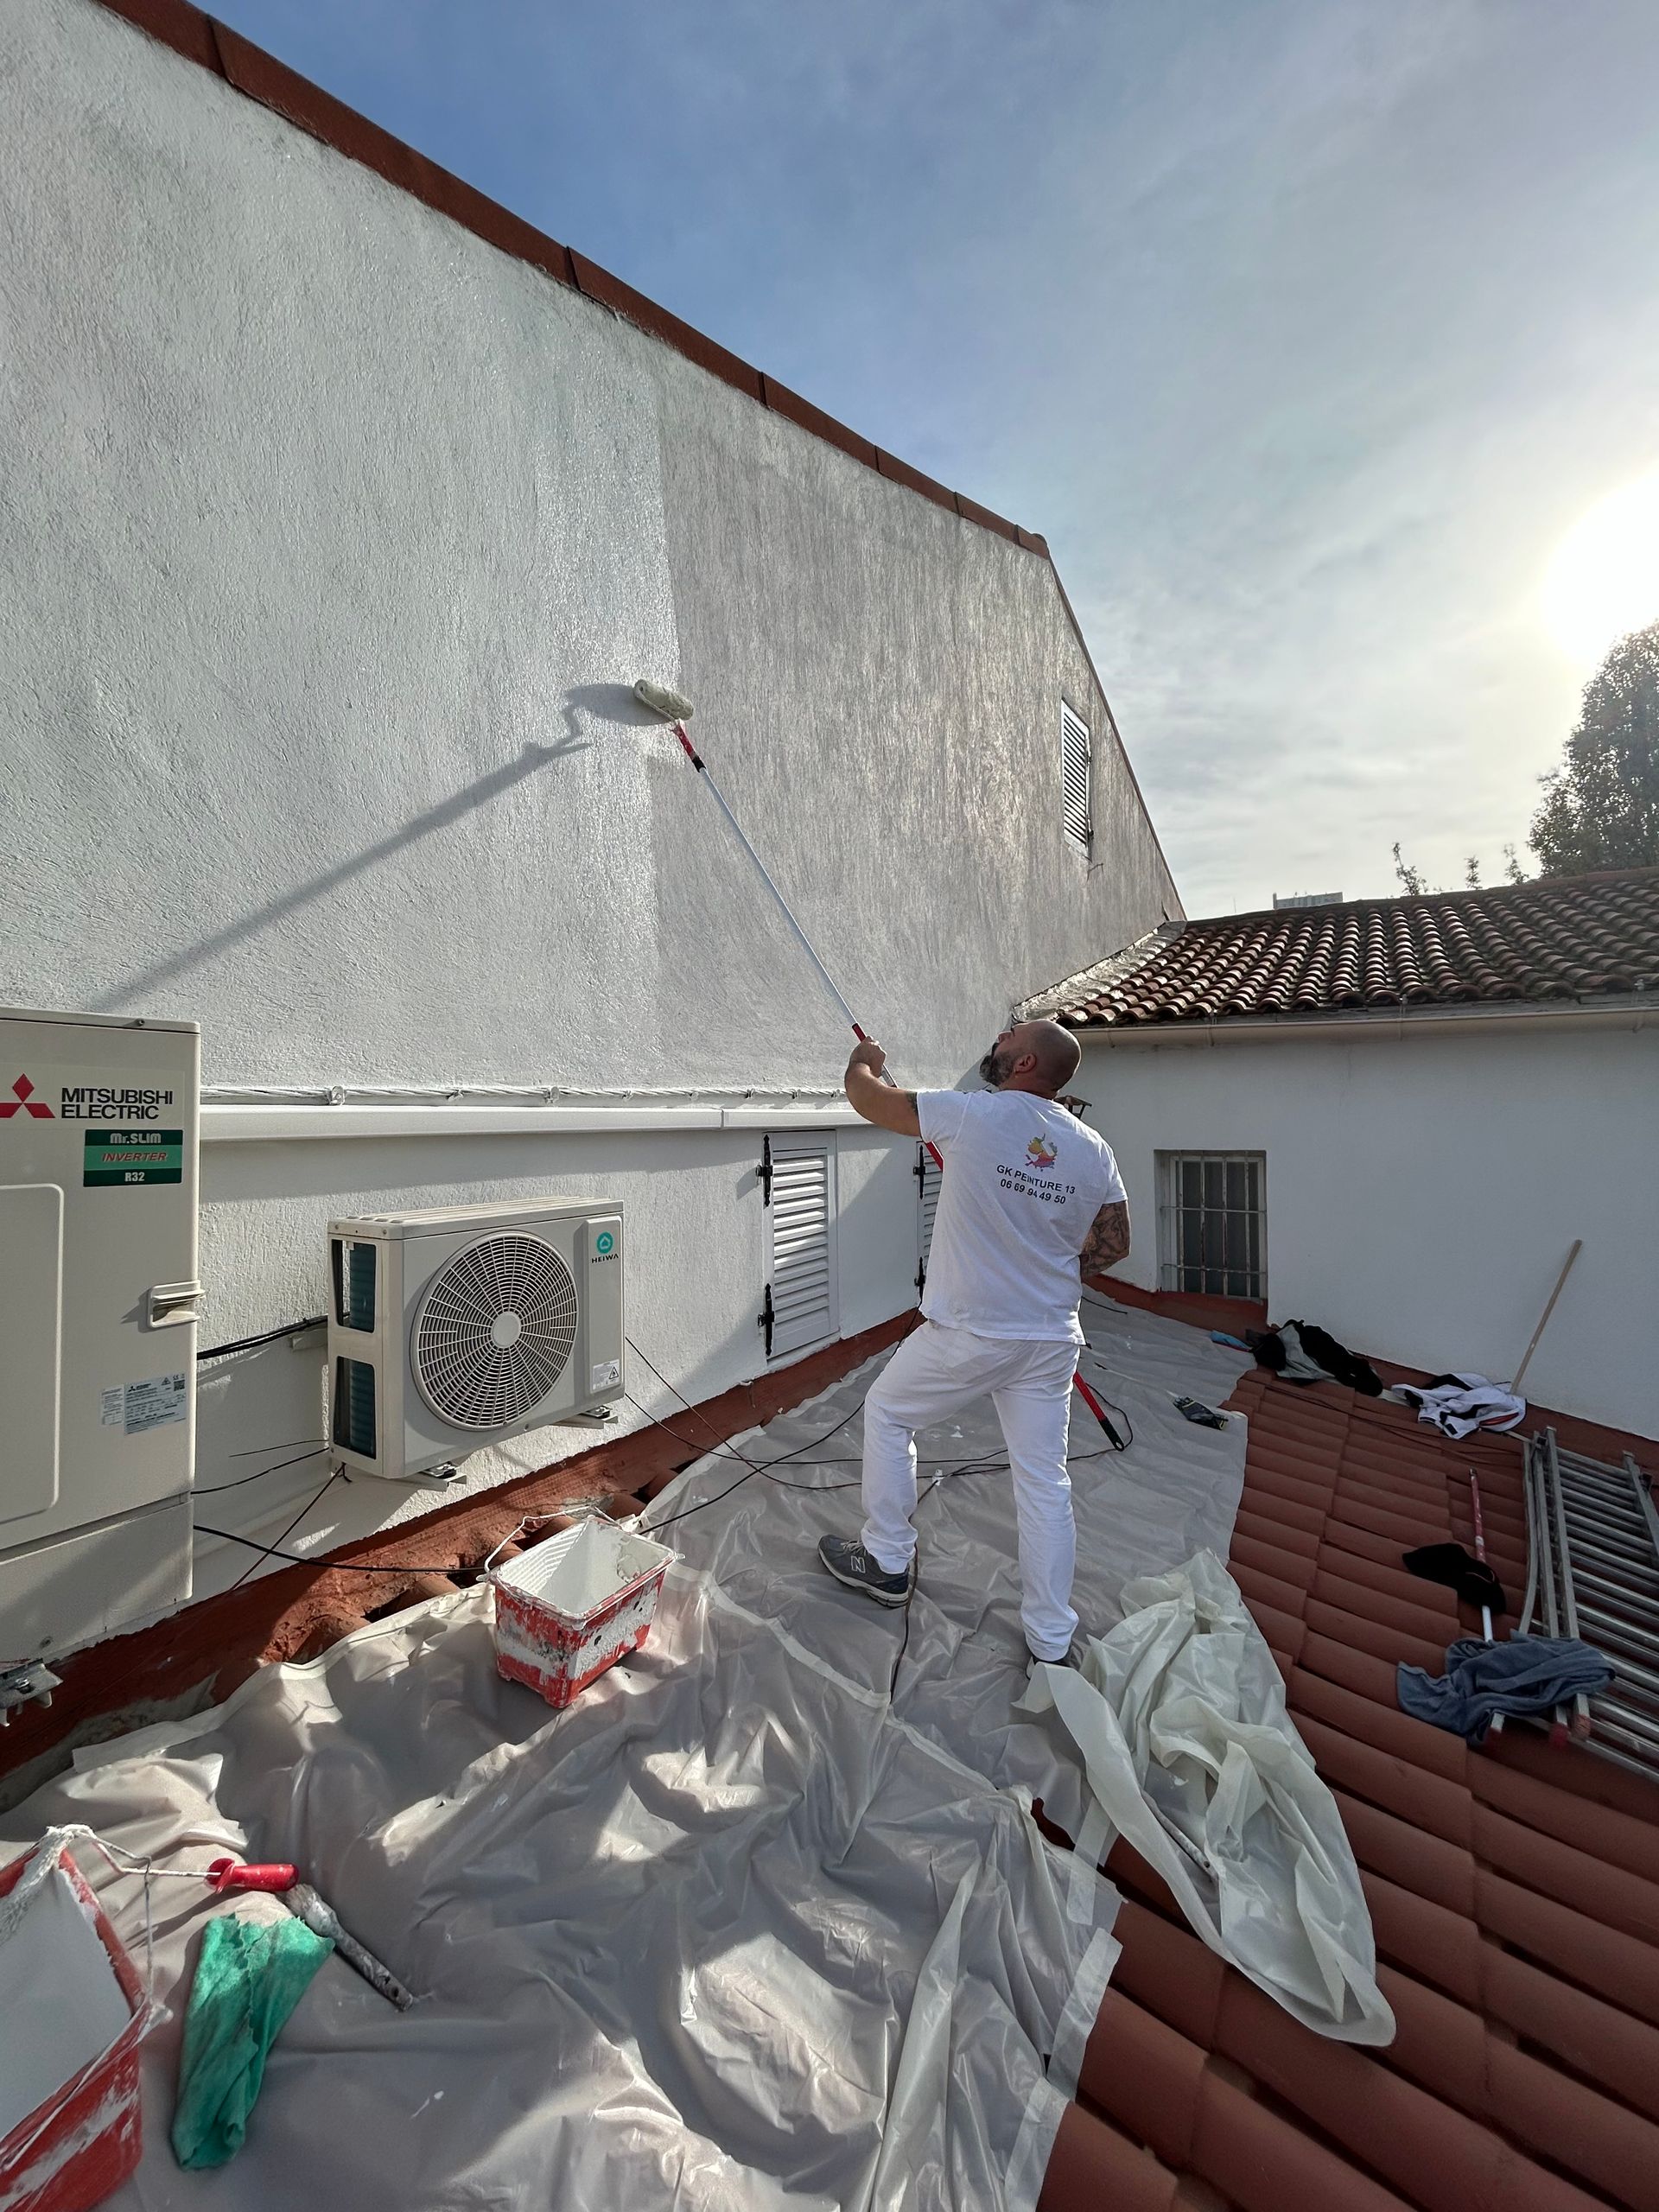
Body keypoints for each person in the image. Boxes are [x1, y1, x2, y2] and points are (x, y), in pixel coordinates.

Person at [817, 1019, 1130, 1666]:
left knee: (888, 1412)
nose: (994, 1046)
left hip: (971, 1330)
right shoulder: (1093, 1148)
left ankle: (886, 1559)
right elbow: (1116, 1242)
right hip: (1048, 1339)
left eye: (1006, 1042)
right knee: (1044, 1483)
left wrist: (863, 1059)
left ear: (1024, 1065)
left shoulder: (973, 1118)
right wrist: (1043, 1269)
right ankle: (1049, 1637)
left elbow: (869, 1101)